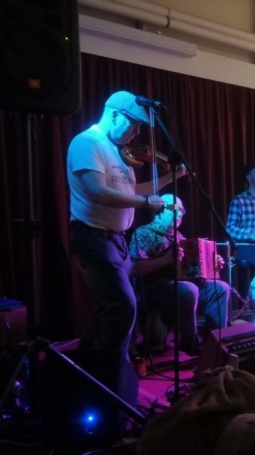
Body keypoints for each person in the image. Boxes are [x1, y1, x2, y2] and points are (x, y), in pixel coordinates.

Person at [67, 90, 181, 357]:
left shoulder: (119, 152)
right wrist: (145, 203)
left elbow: (131, 190)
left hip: (114, 240)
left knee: (106, 307)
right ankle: (108, 376)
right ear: (115, 115)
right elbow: (98, 191)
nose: (137, 132)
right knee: (122, 306)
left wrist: (166, 180)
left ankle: (87, 371)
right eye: (134, 124)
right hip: (93, 236)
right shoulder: (88, 143)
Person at [129, 194, 230, 355]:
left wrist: (212, 265)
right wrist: (165, 260)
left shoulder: (179, 236)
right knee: (189, 289)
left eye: (182, 210)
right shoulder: (143, 233)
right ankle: (189, 340)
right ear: (159, 210)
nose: (180, 214)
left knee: (221, 287)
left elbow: (192, 271)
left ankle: (216, 341)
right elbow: (133, 269)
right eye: (175, 209)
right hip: (154, 289)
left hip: (180, 287)